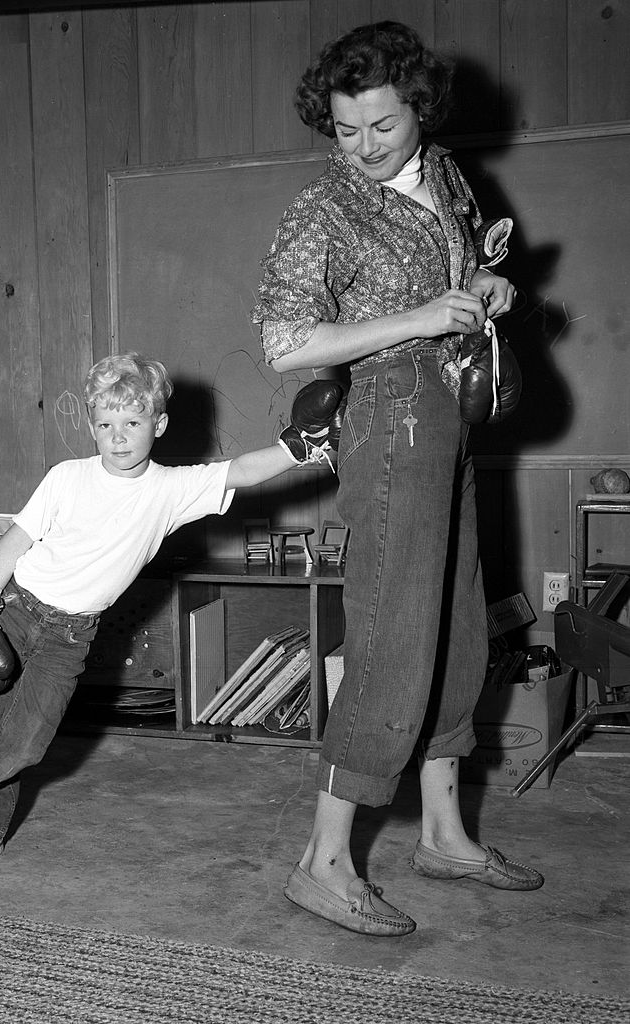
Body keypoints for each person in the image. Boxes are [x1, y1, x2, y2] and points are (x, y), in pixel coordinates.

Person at [251, 21, 542, 938]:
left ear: (417, 106)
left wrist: (487, 288)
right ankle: (323, 861)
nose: (366, 147)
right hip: (387, 415)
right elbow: (285, 345)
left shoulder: (447, 172)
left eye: (382, 124)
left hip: (455, 411)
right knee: (391, 633)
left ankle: (446, 834)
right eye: (346, 130)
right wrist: (414, 318)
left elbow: (470, 264)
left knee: (457, 627)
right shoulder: (321, 210)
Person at [0, 353, 343, 876]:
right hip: (16, 609)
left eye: (132, 422)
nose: (119, 435)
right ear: (92, 427)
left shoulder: (169, 490)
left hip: (70, 637)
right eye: (106, 424)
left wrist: (296, 449)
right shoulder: (66, 477)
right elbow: (20, 534)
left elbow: (240, 471)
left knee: (25, 743)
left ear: (159, 424)